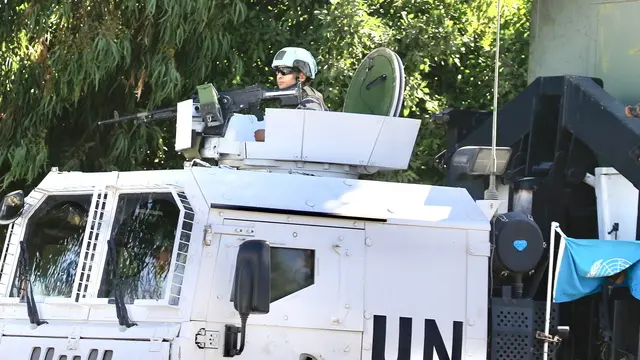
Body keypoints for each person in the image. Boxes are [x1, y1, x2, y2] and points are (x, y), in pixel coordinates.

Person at [254, 47, 328, 142]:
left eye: (284, 72)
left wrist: (268, 135)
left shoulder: (311, 101)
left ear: (301, 76)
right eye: (278, 72)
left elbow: (308, 133)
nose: (279, 76)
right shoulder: (293, 101)